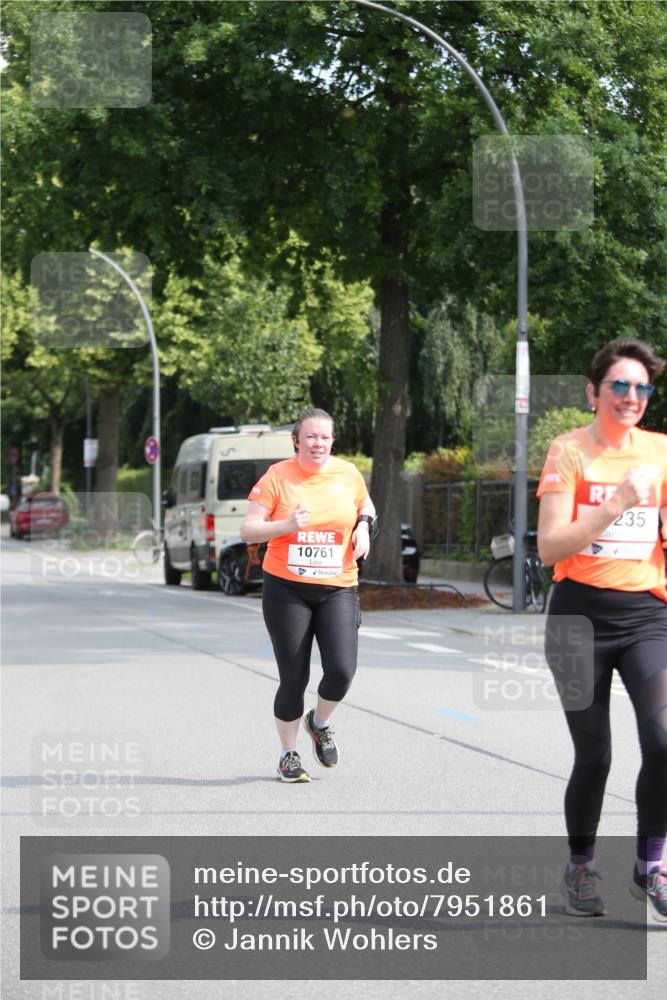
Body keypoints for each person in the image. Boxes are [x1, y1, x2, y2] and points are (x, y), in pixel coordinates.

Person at [537, 337, 667, 921]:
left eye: (642, 387)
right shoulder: (568, 452)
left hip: (647, 616)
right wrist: (615, 503)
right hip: (577, 617)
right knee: (595, 756)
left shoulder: (662, 453)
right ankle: (582, 864)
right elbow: (549, 547)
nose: (632, 396)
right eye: (620, 385)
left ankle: (651, 864)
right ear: (594, 391)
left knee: (664, 741)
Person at [240, 407, 375, 783]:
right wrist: (285, 524)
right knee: (294, 678)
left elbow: (366, 504)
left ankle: (319, 722)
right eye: (311, 437)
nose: (318, 443)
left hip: (338, 587)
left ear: (333, 441)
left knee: (342, 671)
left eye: (325, 437)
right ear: (296, 440)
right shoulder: (277, 477)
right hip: (287, 589)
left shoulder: (347, 473)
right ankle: (288, 754)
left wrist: (364, 526)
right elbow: (249, 530)